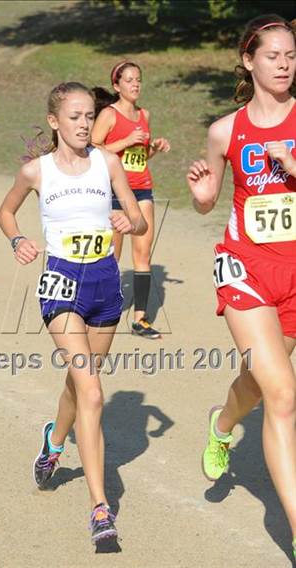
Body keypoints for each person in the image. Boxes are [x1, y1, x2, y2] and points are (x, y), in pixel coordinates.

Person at [0, 82, 147, 544]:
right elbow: (5, 212)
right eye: (75, 117)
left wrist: (130, 220)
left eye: (88, 117)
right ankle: (100, 510)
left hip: (104, 285)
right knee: (94, 393)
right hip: (61, 284)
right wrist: (19, 240)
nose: (83, 124)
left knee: (79, 385)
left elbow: (138, 219)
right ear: (54, 121)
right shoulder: (36, 172)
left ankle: (53, 442)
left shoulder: (109, 162)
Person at [186, 15, 296, 559]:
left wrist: (293, 166)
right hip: (245, 270)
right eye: (273, 55)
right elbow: (208, 200)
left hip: (295, 275)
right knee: (283, 394)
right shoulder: (225, 131)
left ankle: (222, 424)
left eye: (291, 55)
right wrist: (204, 195)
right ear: (249, 61)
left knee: (255, 388)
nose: (284, 64)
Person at [91, 61, 170, 339]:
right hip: (114, 190)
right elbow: (93, 149)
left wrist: (155, 149)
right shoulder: (109, 115)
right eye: (129, 80)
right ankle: (102, 308)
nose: (135, 84)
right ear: (117, 86)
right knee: (112, 254)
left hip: (142, 189)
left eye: (138, 80)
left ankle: (140, 319)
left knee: (143, 252)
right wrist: (125, 140)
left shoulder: (144, 114)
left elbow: (141, 155)